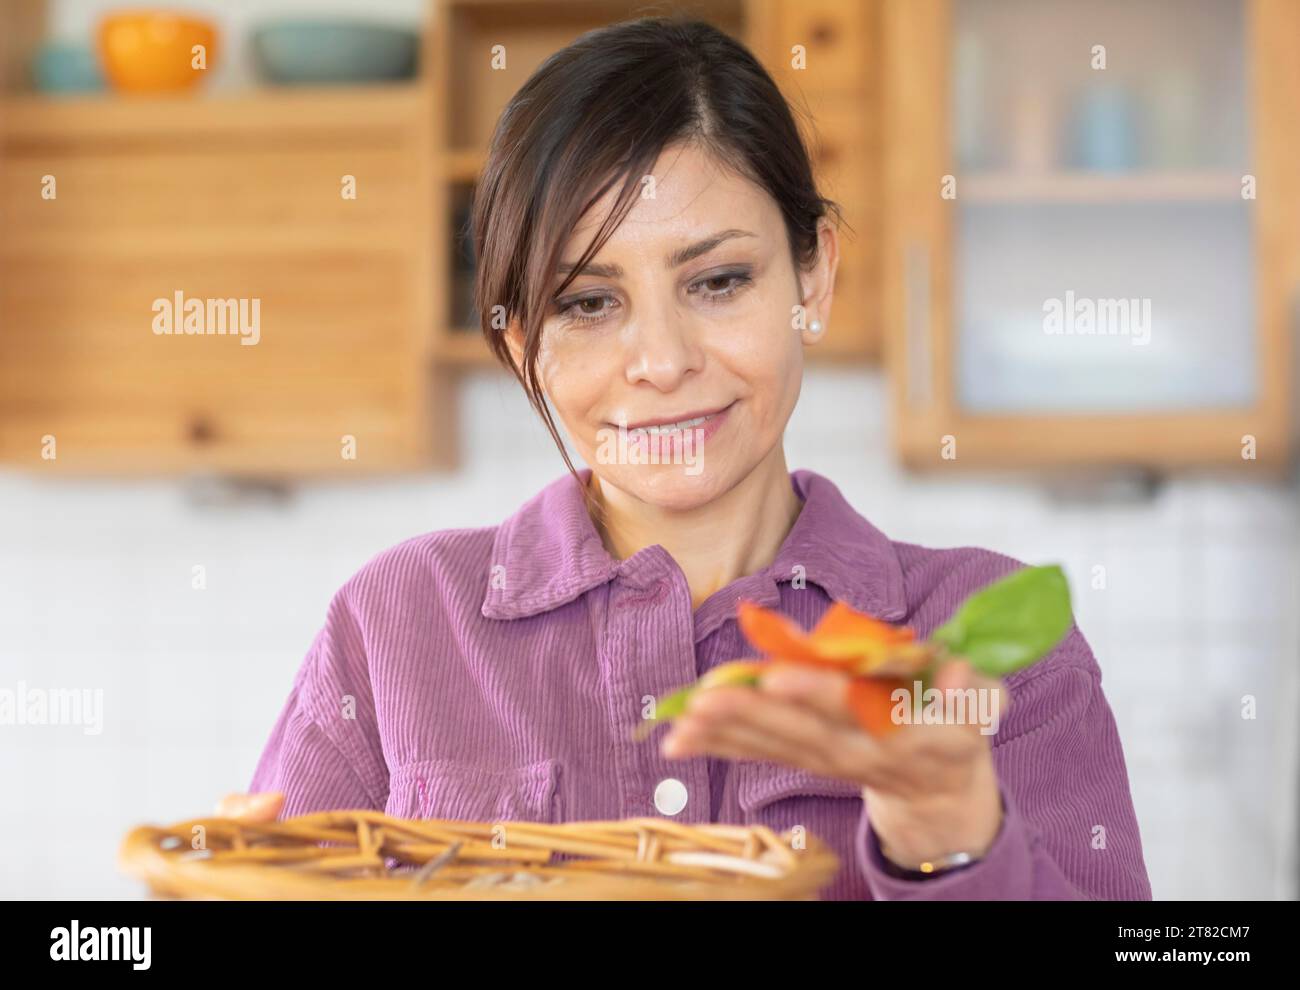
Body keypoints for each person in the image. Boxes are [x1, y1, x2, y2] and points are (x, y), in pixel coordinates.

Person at [234, 17, 1151, 900]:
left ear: (814, 279)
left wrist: (949, 833)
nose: (664, 362)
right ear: (519, 343)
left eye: (717, 282)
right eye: (587, 303)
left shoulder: (993, 654)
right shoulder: (397, 623)